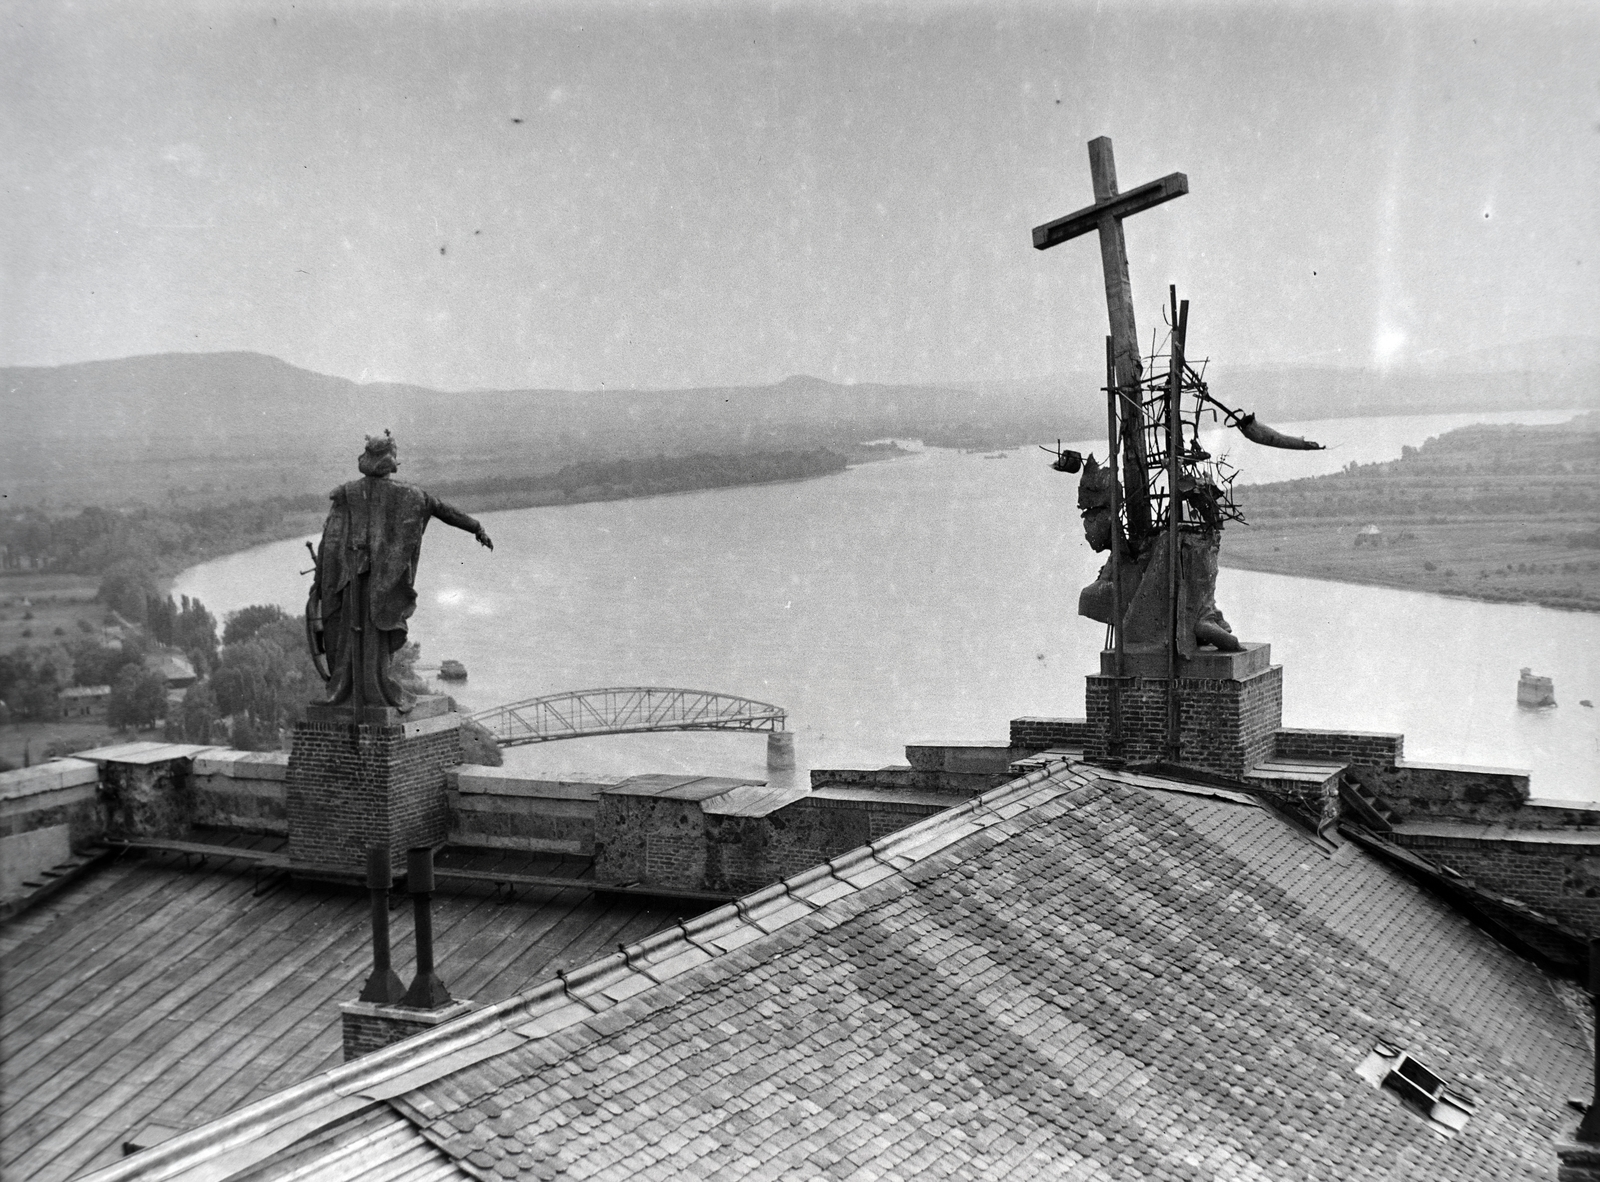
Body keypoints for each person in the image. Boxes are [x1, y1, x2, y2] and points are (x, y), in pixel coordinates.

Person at [308, 432, 493, 711]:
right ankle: (373, 687)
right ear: (390, 462)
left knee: (348, 635)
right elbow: (445, 511)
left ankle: (350, 689)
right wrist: (476, 527)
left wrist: (321, 580)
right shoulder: (410, 494)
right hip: (381, 582)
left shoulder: (347, 493)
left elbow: (329, 541)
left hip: (350, 580)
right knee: (375, 634)